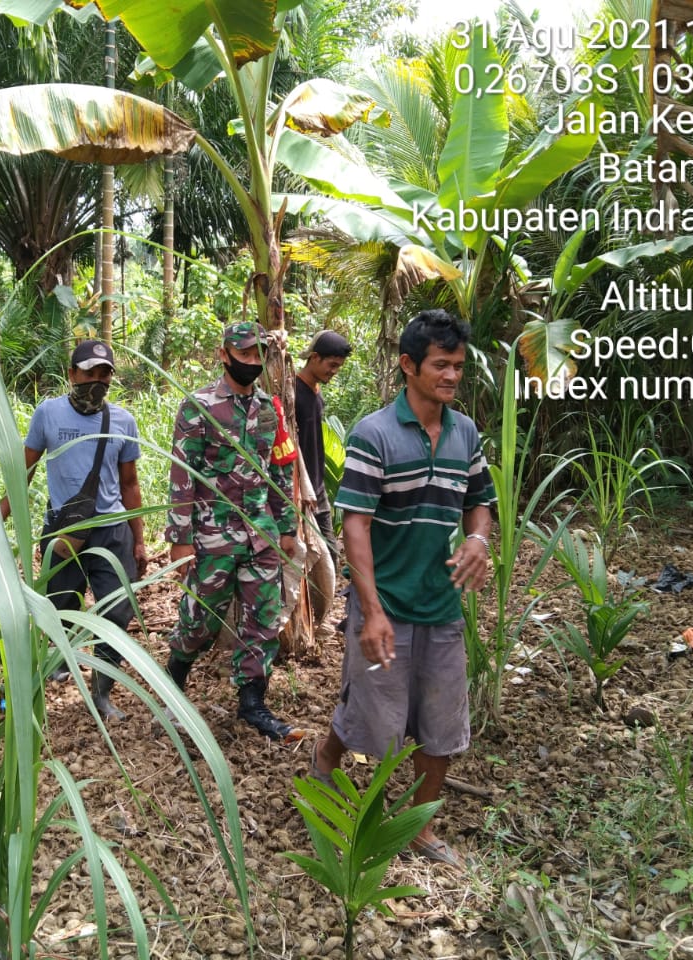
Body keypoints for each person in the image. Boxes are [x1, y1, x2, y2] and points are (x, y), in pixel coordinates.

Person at [309, 309, 495, 868]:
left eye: (458, 366)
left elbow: (479, 502)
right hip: (385, 605)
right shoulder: (374, 435)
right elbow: (356, 525)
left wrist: (478, 541)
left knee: (441, 720)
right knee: (378, 719)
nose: (452, 376)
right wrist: (370, 610)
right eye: (441, 365)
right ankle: (327, 757)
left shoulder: (465, 433)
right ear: (408, 366)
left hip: (441, 606)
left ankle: (418, 823)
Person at [163, 320, 305, 742]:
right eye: (244, 355)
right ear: (224, 355)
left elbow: (279, 469)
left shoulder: (269, 408)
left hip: (260, 533)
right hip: (213, 535)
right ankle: (172, 691)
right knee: (200, 622)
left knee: (262, 621)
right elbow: (182, 476)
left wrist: (286, 526)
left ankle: (253, 704)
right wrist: (180, 541)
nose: (252, 363)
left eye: (259, 356)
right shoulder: (199, 405)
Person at [0, 339, 148, 721]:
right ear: (71, 374)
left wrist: (140, 539)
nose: (95, 381)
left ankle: (101, 692)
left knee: (116, 611)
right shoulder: (47, 414)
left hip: (112, 530)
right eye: (88, 373)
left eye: (103, 374)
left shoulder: (123, 421)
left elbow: (130, 484)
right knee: (62, 607)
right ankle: (64, 660)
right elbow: (25, 469)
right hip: (64, 531)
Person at [294, 329, 352, 564]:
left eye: (339, 366)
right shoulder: (294, 392)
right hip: (298, 490)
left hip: (316, 489)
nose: (334, 371)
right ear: (315, 357)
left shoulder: (315, 392)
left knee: (328, 556)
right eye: (332, 364)